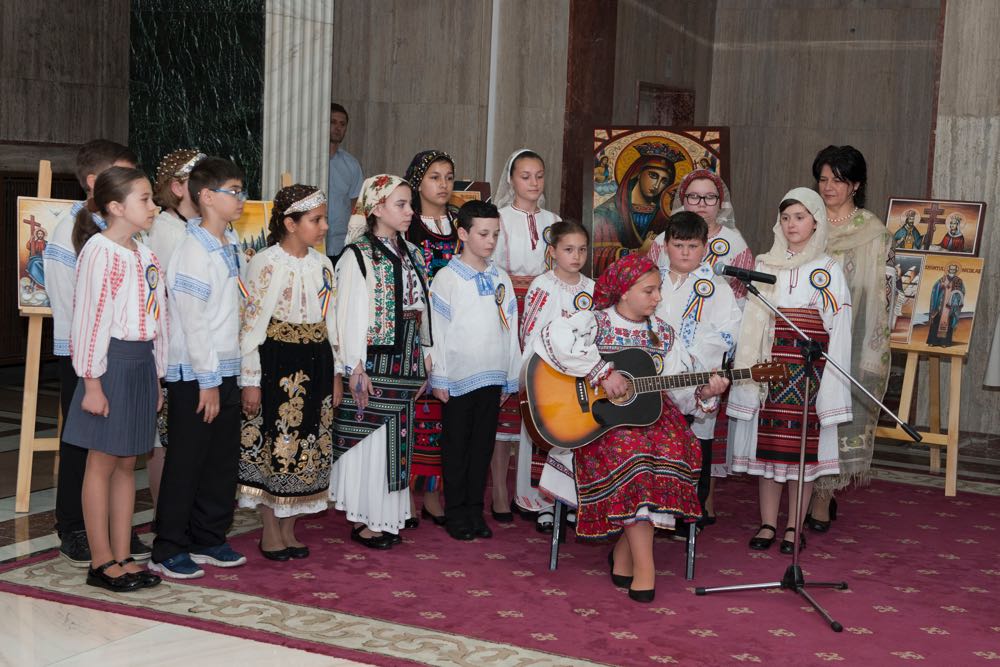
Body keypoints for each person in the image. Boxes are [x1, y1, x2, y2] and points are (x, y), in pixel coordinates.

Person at [533, 254, 728, 602]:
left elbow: (680, 393)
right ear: (623, 292)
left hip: (654, 418)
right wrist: (601, 372)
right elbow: (550, 338)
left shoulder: (663, 335)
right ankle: (646, 568)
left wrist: (704, 392)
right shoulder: (594, 323)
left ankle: (624, 554)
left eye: (658, 291)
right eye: (648, 291)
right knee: (635, 458)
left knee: (675, 450)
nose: (657, 299)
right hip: (599, 422)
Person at [728, 188, 853, 555]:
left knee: (801, 455)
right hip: (770, 371)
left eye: (800, 217)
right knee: (768, 456)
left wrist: (831, 381)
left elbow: (839, 326)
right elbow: (751, 320)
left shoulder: (828, 268)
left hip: (809, 371)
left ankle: (794, 527)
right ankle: (768, 523)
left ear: (816, 220)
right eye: (786, 218)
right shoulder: (765, 264)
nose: (792, 224)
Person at [42, 139, 145, 567]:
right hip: (81, 350)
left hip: (118, 353)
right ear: (95, 182)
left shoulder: (121, 238)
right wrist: (91, 364)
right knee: (81, 444)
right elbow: (74, 302)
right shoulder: (68, 232)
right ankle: (74, 528)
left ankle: (109, 530)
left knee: (115, 449)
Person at [63, 166, 166, 592]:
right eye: (145, 199)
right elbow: (90, 318)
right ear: (115, 207)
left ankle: (124, 554)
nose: (153, 206)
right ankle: (101, 561)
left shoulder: (145, 254)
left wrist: (158, 375)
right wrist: (91, 382)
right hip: (111, 365)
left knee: (128, 462)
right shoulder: (99, 251)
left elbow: (160, 317)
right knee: (102, 462)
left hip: (140, 364)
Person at [151, 157, 249, 579]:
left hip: (226, 366)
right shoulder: (193, 250)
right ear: (207, 197)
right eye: (234, 191)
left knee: (221, 460)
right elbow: (193, 321)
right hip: (195, 373)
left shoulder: (230, 244)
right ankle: (168, 545)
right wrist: (207, 380)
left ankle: (208, 536)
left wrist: (239, 374)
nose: (242, 198)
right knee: (187, 459)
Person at [238, 184, 343, 561]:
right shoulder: (265, 263)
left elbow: (332, 320)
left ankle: (290, 526)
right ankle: (269, 528)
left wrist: (337, 372)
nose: (324, 227)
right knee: (276, 441)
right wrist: (250, 379)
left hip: (316, 359)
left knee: (309, 441)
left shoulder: (323, 265)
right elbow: (249, 326)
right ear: (290, 223)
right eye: (316, 220)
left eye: (324, 218)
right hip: (276, 361)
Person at [330, 174, 432, 549]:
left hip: (406, 353)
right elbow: (349, 312)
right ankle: (365, 518)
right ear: (376, 208)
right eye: (401, 205)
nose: (409, 212)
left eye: (410, 205)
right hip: (375, 357)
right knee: (372, 440)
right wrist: (354, 365)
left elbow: (423, 307)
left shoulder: (413, 252)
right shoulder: (359, 255)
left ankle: (388, 514)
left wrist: (426, 355)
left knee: (398, 437)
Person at [650, 168, 754, 523]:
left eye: (692, 246)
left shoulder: (717, 287)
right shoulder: (653, 282)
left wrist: (697, 362)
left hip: (696, 380)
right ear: (666, 246)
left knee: (696, 445)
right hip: (653, 379)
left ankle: (689, 511)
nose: (684, 252)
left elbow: (728, 331)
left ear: (704, 248)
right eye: (677, 245)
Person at [808, 145, 894, 533]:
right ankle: (798, 493)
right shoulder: (804, 221)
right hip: (803, 332)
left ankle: (823, 497)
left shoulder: (872, 231)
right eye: (823, 179)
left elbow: (882, 294)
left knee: (834, 419)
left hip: (847, 336)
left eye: (838, 180)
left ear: (855, 184)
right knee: (803, 418)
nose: (828, 187)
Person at [428, 200, 521, 540]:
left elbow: (511, 328)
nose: (490, 241)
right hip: (458, 378)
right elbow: (436, 331)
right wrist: (438, 375)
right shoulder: (447, 278)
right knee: (456, 447)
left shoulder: (501, 279)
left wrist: (511, 374)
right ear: (463, 233)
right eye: (483, 233)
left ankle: (474, 511)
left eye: (496, 234)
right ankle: (455, 511)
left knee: (482, 446)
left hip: (492, 376)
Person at [490, 149, 560, 523]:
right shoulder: (499, 218)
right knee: (507, 402)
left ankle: (535, 491)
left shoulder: (554, 220)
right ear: (511, 180)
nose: (533, 183)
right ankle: (500, 491)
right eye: (525, 176)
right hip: (510, 309)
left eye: (539, 175)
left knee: (539, 401)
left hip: (546, 309)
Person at [520, 221, 595, 532]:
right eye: (568, 249)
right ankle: (546, 505)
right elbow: (532, 332)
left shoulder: (593, 288)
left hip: (582, 377)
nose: (575, 256)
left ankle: (577, 502)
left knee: (579, 439)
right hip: (549, 377)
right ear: (553, 252)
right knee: (550, 441)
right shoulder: (543, 285)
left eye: (581, 250)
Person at [145, 148, 206, 510]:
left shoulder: (198, 228)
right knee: (165, 439)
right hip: (173, 348)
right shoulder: (166, 230)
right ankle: (164, 511)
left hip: (200, 347)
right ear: (179, 187)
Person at [402, 149, 459, 527]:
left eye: (449, 177)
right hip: (419, 327)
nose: (443, 184)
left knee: (445, 415)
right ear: (418, 182)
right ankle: (405, 494)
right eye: (435, 177)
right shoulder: (408, 224)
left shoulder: (460, 223)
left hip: (454, 329)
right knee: (415, 412)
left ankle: (435, 494)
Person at [650, 168, 755, 306]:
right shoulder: (661, 241)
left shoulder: (736, 244)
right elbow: (648, 284)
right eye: (694, 196)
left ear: (720, 203)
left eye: (710, 197)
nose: (702, 203)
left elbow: (743, 298)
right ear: (683, 201)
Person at [592, 142, 683, 274]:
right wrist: (638, 252)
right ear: (639, 173)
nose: (657, 185)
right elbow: (596, 257)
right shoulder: (607, 212)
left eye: (664, 181)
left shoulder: (665, 215)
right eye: (653, 175)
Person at [325, 103, 364, 264]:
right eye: (333, 122)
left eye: (342, 124)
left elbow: (357, 203)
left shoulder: (351, 164)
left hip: (342, 244)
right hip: (312, 243)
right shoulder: (309, 161)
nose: (337, 128)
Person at [926, 264, 965, 347]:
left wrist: (956, 295)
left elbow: (962, 292)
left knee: (949, 322)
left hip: (951, 306)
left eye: (954, 269)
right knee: (936, 321)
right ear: (948, 269)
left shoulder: (959, 281)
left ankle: (944, 342)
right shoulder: (942, 279)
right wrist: (940, 286)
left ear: (956, 270)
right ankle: (933, 341)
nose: (952, 270)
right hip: (940, 305)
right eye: (951, 269)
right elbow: (934, 288)